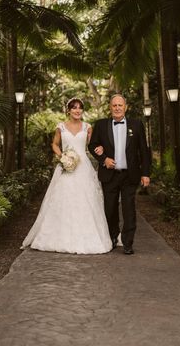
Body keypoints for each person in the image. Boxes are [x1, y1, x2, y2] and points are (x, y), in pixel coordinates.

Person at [22, 98, 112, 254]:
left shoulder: (88, 127)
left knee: (86, 200)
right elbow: (54, 144)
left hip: (83, 167)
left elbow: (93, 145)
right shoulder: (61, 127)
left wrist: (101, 147)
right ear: (68, 110)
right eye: (74, 108)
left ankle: (89, 238)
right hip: (66, 166)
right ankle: (57, 237)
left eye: (80, 108)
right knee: (63, 199)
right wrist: (63, 156)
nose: (77, 111)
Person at [88, 94, 151, 255]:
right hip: (109, 175)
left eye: (120, 105)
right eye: (114, 105)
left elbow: (144, 150)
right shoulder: (101, 125)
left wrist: (145, 173)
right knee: (110, 209)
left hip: (130, 175)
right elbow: (92, 145)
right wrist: (103, 159)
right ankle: (113, 236)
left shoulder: (136, 125)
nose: (117, 108)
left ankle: (128, 242)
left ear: (126, 107)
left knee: (129, 208)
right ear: (110, 107)